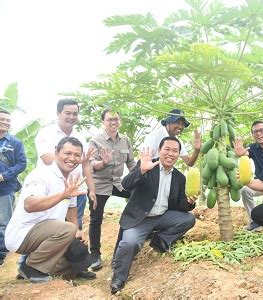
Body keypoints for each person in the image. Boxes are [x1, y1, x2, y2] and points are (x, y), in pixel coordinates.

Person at [110, 137, 196, 294]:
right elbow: (125, 185)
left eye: (175, 151)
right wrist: (142, 170)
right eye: (167, 149)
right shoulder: (147, 166)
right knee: (130, 244)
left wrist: (190, 202)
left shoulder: (179, 177)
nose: (170, 154)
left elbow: (180, 204)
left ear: (178, 154)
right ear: (159, 150)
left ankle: (159, 242)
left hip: (162, 217)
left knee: (188, 219)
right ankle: (118, 277)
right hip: (140, 219)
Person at [5, 137, 95, 282]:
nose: (72, 158)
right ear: (56, 153)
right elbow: (29, 205)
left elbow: (71, 207)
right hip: (23, 234)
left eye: (77, 155)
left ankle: (53, 275)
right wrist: (62, 195)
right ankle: (32, 267)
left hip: (48, 233)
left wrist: (78, 230)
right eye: (68, 153)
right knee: (67, 229)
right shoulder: (41, 174)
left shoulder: (70, 177)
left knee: (79, 249)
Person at [34, 98, 96, 230]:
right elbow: (47, 159)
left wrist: (92, 189)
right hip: (51, 190)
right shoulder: (46, 133)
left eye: (75, 114)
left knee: (73, 230)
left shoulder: (79, 135)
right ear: (58, 113)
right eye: (67, 113)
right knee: (44, 229)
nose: (71, 117)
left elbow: (85, 165)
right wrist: (75, 160)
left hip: (76, 191)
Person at [87, 108, 136, 271]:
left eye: (116, 119)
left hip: (118, 183)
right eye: (109, 120)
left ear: (120, 121)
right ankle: (95, 255)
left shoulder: (125, 140)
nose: (113, 122)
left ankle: (140, 235)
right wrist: (103, 163)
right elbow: (92, 165)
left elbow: (131, 163)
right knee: (96, 219)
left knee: (139, 196)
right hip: (99, 184)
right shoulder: (95, 140)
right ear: (103, 123)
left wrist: (141, 175)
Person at [234, 121, 263, 231]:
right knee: (245, 190)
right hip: (261, 184)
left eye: (261, 130)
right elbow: (245, 153)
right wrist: (240, 153)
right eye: (255, 132)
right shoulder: (252, 148)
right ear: (252, 135)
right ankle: (255, 222)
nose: (259, 133)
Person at [0, 110, 27, 266]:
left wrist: (4, 175)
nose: (5, 122)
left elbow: (22, 164)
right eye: (2, 119)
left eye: (8, 120)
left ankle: (2, 254)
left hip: (5, 188)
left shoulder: (14, 143)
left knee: (3, 222)